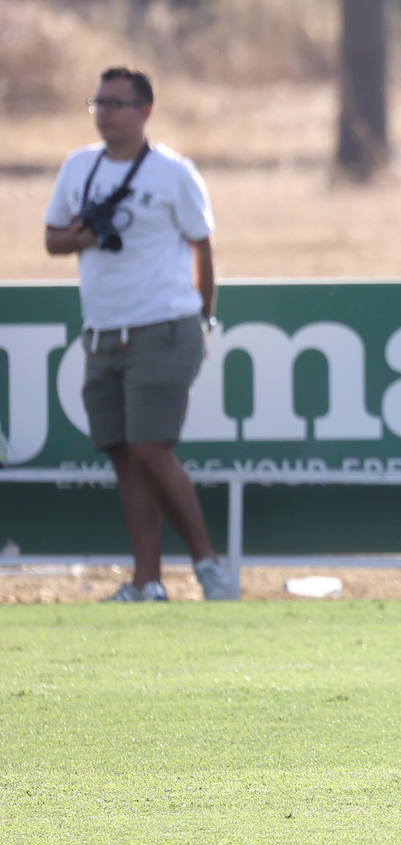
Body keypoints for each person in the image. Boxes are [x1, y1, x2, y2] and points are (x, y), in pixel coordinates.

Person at [43, 66, 237, 602]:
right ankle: (146, 581)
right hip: (103, 331)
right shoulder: (79, 166)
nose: (105, 112)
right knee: (124, 454)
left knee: (151, 449)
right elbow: (52, 238)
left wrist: (202, 314)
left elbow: (202, 245)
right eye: (98, 102)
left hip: (163, 326)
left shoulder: (173, 173)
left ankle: (209, 570)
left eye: (116, 103)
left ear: (144, 110)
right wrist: (84, 233)